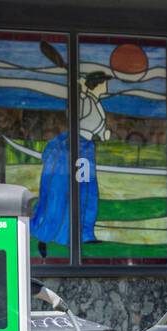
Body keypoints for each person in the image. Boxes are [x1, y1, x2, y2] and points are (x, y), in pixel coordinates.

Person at [32, 70, 112, 258]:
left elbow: (97, 127)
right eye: (105, 82)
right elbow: (74, 112)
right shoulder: (84, 100)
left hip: (86, 147)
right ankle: (45, 235)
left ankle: (83, 234)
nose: (107, 86)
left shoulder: (96, 104)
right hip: (75, 145)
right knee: (60, 194)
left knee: (87, 192)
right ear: (98, 84)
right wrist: (80, 89)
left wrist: (103, 134)